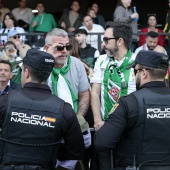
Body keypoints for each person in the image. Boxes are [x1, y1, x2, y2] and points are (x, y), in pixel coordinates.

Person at [0, 48, 85, 170]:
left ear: (26, 73)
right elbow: (76, 150)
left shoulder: (4, 101)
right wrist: (53, 151)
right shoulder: (64, 109)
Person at [94, 50, 170, 170]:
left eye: (136, 71)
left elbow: (102, 142)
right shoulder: (130, 102)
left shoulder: (129, 103)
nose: (135, 75)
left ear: (144, 73)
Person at [90, 22, 136, 170]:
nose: (103, 44)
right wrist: (97, 120)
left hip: (129, 131)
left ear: (120, 41)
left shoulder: (137, 63)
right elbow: (95, 91)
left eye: (106, 40)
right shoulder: (101, 61)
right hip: (104, 127)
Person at [44, 28, 90, 170]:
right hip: (46, 124)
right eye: (59, 47)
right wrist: (47, 61)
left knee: (86, 142)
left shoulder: (76, 64)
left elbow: (84, 94)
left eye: (67, 47)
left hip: (73, 122)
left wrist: (77, 119)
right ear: (47, 48)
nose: (64, 50)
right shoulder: (38, 64)